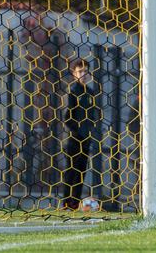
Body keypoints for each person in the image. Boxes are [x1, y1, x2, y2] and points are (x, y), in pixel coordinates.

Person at [61, 59, 102, 210]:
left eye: (85, 71)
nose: (83, 74)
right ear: (74, 74)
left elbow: (92, 115)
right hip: (72, 138)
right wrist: (77, 132)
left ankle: (76, 202)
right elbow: (67, 116)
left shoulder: (90, 93)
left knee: (81, 171)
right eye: (80, 71)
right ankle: (66, 202)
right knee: (71, 170)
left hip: (85, 138)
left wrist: (89, 131)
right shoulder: (70, 91)